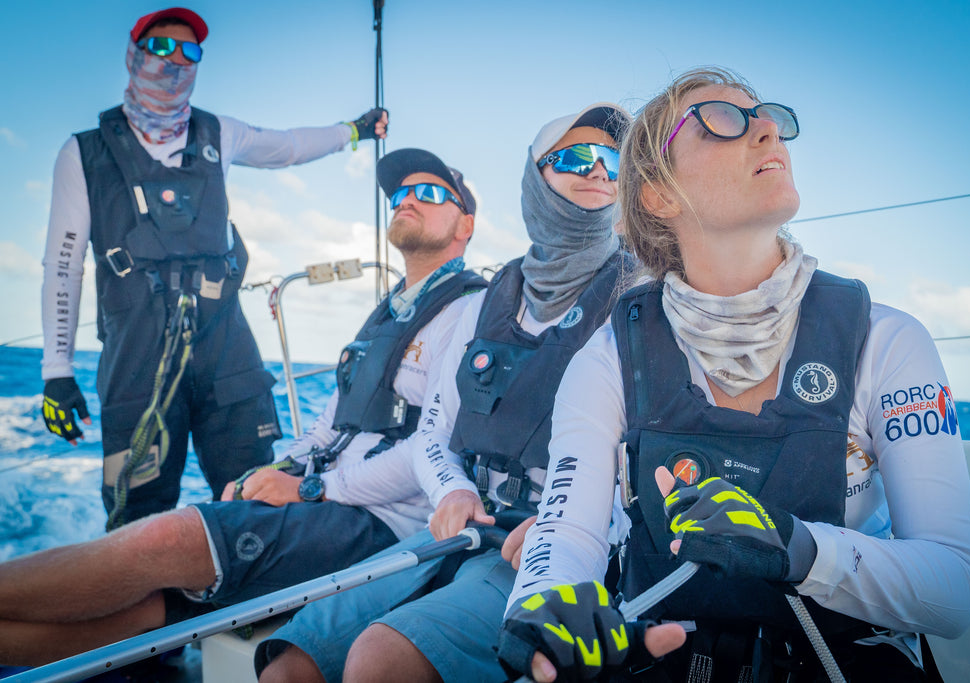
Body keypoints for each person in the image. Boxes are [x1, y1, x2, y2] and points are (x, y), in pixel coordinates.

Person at [497, 66, 970, 683]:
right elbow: (567, 532)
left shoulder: (887, 341)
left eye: (769, 117)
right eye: (723, 120)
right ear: (657, 196)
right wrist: (541, 611)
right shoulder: (608, 357)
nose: (767, 132)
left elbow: (956, 588)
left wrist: (801, 550)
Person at [0, 147, 484, 667]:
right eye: (401, 193)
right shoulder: (388, 312)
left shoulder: (470, 312)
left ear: (466, 225)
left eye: (431, 193)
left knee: (166, 534)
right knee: (147, 611)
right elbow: (329, 426)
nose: (408, 199)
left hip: (384, 523)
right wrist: (273, 470)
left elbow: (431, 447)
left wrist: (307, 489)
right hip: (328, 501)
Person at [254, 103, 634, 683]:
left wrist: (579, 527)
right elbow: (432, 434)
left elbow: (652, 458)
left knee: (378, 661)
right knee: (290, 662)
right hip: (464, 533)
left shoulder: (643, 302)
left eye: (613, 160)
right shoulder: (483, 304)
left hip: (556, 550)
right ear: (536, 179)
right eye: (576, 156)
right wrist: (452, 489)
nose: (599, 170)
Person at [39, 6, 389, 528]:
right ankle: (149, 607)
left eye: (190, 51)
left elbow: (288, 146)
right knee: (138, 515)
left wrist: (354, 131)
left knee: (259, 495)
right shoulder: (83, 154)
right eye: (162, 47)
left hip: (224, 345)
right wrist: (56, 371)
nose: (176, 60)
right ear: (134, 55)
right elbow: (61, 266)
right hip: (136, 354)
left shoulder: (218, 133)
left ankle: (258, 606)